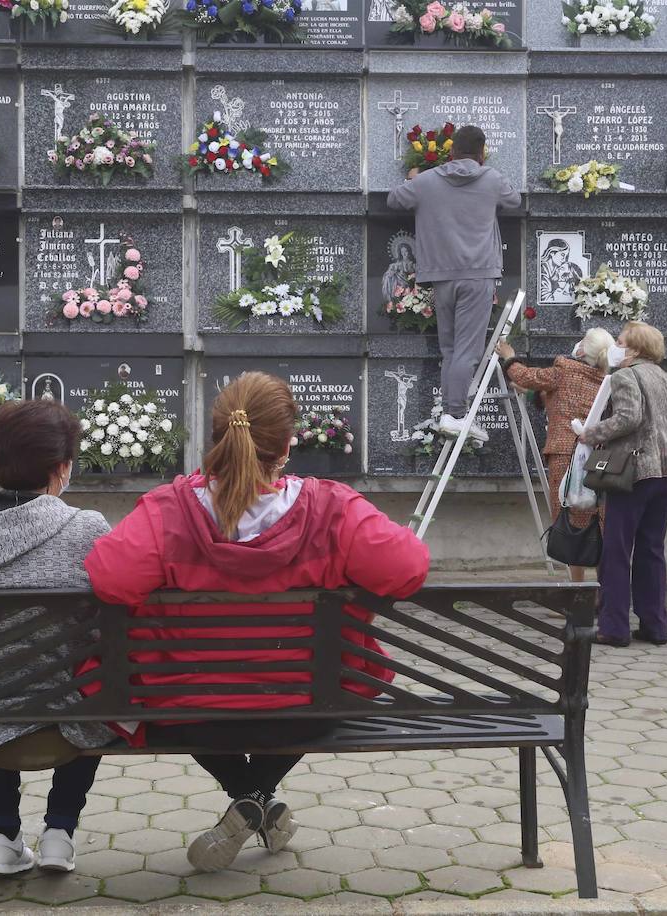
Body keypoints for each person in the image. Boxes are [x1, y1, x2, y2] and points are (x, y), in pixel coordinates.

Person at [84, 372, 430, 873]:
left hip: (192, 707)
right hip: (306, 704)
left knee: (154, 690)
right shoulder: (332, 508)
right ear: (287, 445)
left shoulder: (168, 512)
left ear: (218, 437)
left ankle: (247, 795)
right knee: (340, 685)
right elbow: (408, 568)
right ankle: (257, 796)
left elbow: (108, 579)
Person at [0, 399, 114, 876]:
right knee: (85, 679)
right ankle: (59, 833)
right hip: (68, 721)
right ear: (61, 467)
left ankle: (0, 835)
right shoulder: (86, 528)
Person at [387, 124, 521, 444]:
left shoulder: (427, 182)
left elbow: (393, 200)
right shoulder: (491, 179)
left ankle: (451, 412)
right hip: (478, 275)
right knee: (468, 350)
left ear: (451, 151)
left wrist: (414, 179)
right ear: (482, 151)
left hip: (441, 276)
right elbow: (513, 201)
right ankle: (456, 414)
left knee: (450, 349)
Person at [576, 322, 667, 648]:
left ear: (634, 349)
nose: (616, 347)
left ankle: (614, 627)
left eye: (621, 341)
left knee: (616, 552)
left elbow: (628, 418)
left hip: (633, 473)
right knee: (651, 552)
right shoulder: (665, 378)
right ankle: (655, 625)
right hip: (665, 473)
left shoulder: (625, 375)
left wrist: (589, 433)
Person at [496, 327, 614, 583]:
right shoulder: (605, 379)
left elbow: (526, 375)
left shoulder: (565, 371)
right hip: (597, 457)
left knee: (571, 519)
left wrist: (509, 356)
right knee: (599, 522)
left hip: (565, 455)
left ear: (582, 350)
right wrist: (532, 392)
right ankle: (604, 591)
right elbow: (558, 395)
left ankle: (578, 589)